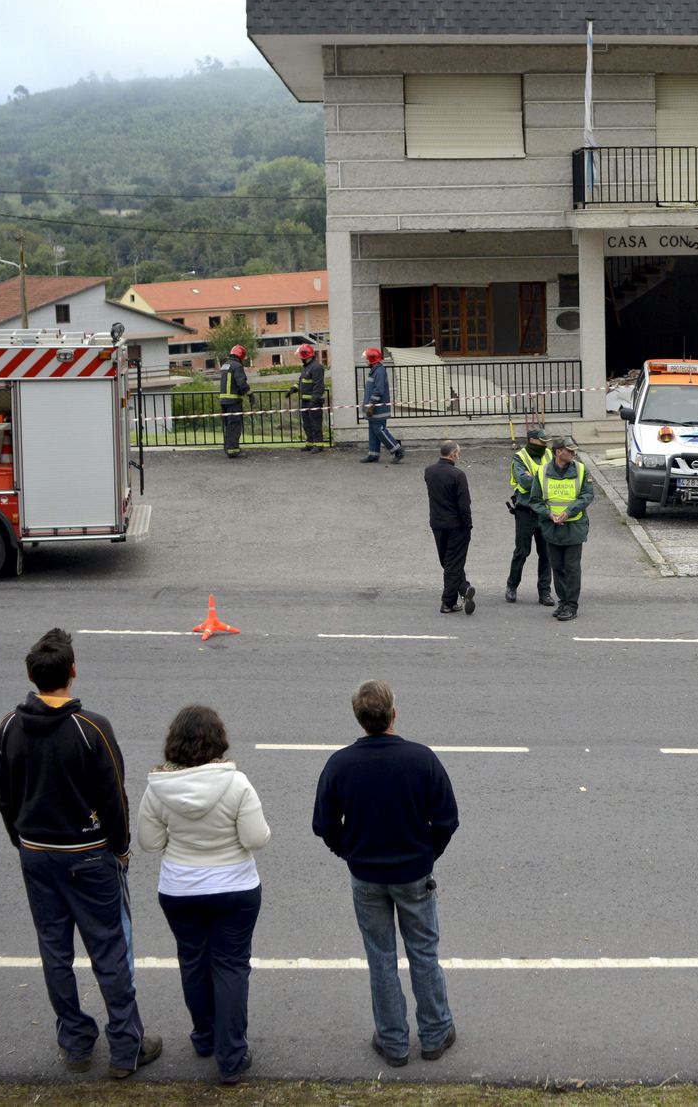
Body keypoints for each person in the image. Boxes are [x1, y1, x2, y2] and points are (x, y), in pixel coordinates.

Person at [0, 628, 160, 1078]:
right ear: (72, 672)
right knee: (109, 949)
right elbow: (114, 797)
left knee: (54, 952)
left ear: (31, 675)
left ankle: (75, 1040)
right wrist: (121, 848)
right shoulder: (90, 728)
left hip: (36, 852)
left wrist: (23, 841)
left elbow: (5, 796)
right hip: (88, 854)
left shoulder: (10, 724)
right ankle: (127, 1048)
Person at [313, 680, 459, 1068]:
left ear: (359, 719)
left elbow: (325, 823)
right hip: (414, 873)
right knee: (424, 954)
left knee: (380, 958)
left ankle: (393, 1041)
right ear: (394, 713)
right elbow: (447, 818)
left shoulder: (340, 764)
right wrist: (428, 853)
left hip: (366, 876)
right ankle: (435, 1033)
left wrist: (347, 850)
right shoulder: (421, 759)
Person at [138, 705, 269, 1087]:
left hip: (180, 888)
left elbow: (149, 842)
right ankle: (231, 1057)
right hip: (234, 887)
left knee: (193, 961)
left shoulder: (158, 787)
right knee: (230, 966)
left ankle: (204, 1037)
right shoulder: (237, 784)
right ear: (219, 739)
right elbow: (256, 838)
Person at [535, 435, 595, 623]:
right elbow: (535, 500)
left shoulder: (581, 469)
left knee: (571, 567)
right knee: (557, 567)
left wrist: (568, 512)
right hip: (552, 528)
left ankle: (571, 605)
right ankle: (563, 602)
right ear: (558, 452)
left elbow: (587, 495)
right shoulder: (542, 472)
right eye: (569, 450)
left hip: (574, 526)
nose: (573, 453)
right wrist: (548, 514)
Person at [425, 440, 476, 615]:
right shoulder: (458, 475)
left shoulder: (429, 472)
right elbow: (464, 505)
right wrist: (468, 525)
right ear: (453, 454)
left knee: (447, 562)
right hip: (456, 526)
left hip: (437, 524)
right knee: (453, 564)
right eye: (458, 453)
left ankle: (462, 590)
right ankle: (448, 601)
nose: (459, 456)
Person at [504, 426, 554, 607]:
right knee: (522, 552)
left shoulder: (549, 454)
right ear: (532, 440)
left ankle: (545, 592)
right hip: (526, 511)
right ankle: (512, 585)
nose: (545, 444)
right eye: (542, 441)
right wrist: (548, 481)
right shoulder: (520, 457)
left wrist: (539, 479)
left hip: (545, 511)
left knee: (546, 554)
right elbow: (525, 482)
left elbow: (557, 476)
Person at [362, 346, 404, 464]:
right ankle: (373, 454)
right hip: (374, 408)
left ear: (372, 360)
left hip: (378, 409)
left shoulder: (379, 371)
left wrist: (371, 404)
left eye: (366, 359)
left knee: (379, 430)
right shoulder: (375, 370)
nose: (365, 361)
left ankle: (397, 450)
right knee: (373, 430)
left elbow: (379, 390)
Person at [218, 343, 251, 460]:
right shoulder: (237, 366)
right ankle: (233, 450)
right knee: (235, 425)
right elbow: (241, 383)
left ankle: (228, 447)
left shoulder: (225, 365)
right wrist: (249, 393)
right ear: (240, 356)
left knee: (228, 425)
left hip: (224, 401)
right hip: (233, 402)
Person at [295, 342, 326, 453]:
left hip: (314, 402)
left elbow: (319, 386)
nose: (300, 358)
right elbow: (301, 382)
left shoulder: (316, 367)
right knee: (307, 423)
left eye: (301, 356)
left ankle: (318, 445)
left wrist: (314, 400)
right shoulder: (306, 367)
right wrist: (293, 388)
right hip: (305, 401)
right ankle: (310, 443)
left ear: (305, 356)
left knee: (315, 424)